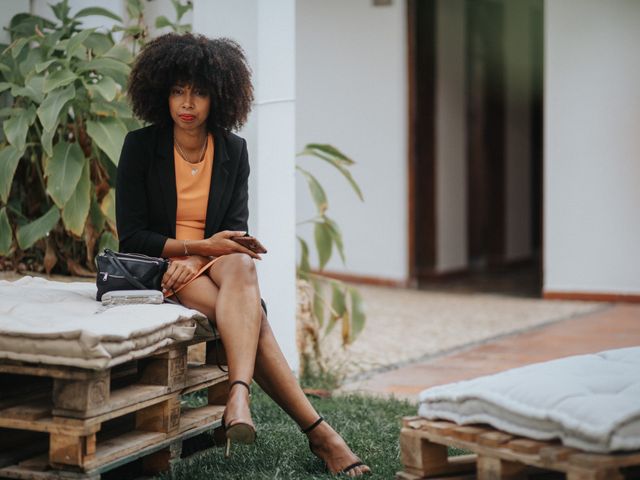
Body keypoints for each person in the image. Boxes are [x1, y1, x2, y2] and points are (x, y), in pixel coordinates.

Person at [116, 33, 371, 477]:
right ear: (162, 94)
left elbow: (236, 232)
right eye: (178, 90)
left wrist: (205, 254)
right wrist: (196, 250)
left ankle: (240, 397)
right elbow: (132, 236)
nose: (187, 102)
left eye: (199, 91)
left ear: (220, 96)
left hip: (211, 265)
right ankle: (315, 432)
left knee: (242, 262)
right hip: (163, 266)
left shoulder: (234, 150)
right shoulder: (140, 147)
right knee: (253, 318)